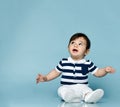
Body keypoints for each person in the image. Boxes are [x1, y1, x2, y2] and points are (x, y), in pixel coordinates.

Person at [36, 33, 115, 103]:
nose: (75, 45)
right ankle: (70, 97)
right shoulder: (64, 62)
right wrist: (45, 78)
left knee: (87, 90)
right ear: (68, 48)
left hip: (82, 86)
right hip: (67, 86)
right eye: (72, 43)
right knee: (61, 90)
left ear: (86, 51)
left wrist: (105, 70)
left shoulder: (87, 64)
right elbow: (55, 72)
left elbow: (98, 73)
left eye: (80, 44)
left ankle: (89, 97)